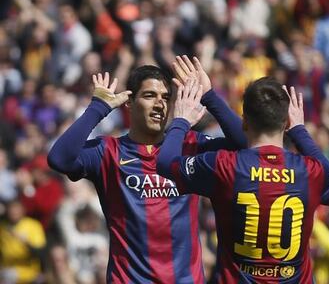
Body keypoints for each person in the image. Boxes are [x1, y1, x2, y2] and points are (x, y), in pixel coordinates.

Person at [47, 56, 246, 283]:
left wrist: (209, 96)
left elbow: (245, 144)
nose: (159, 103)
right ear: (129, 103)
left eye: (165, 97)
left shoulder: (191, 145)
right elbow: (59, 158)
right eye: (150, 95)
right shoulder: (108, 151)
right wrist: (98, 108)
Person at [157, 77, 329, 283]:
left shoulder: (225, 165)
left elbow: (165, 162)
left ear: (244, 121)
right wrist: (299, 130)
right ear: (286, 121)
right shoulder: (310, 171)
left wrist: (181, 120)